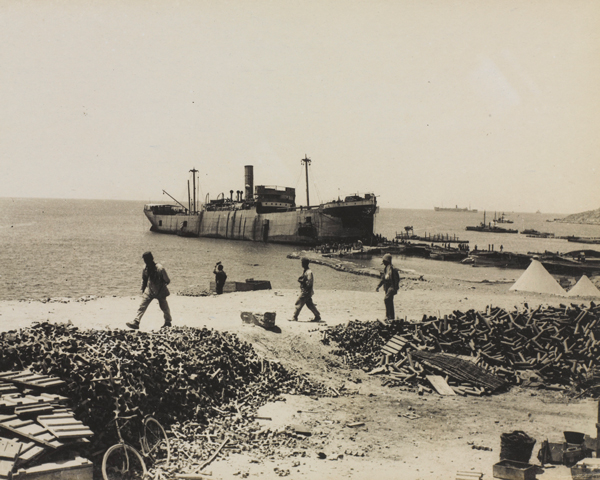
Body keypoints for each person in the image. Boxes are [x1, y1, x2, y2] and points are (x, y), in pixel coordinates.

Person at [126, 251, 172, 330]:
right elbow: (144, 279)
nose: (146, 261)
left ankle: (168, 322)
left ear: (152, 259)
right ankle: (136, 322)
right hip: (149, 290)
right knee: (142, 306)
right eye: (145, 260)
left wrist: (161, 286)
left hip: (160, 291)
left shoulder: (160, 268)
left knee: (164, 307)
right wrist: (143, 289)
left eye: (147, 260)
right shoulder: (145, 268)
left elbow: (167, 280)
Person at [289, 258, 321, 322]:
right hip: (307, 291)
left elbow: (309, 282)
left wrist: (303, 284)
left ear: (305, 264)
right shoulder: (306, 271)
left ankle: (295, 317)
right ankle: (317, 316)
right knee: (310, 304)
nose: (302, 264)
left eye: (303, 263)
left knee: (299, 302)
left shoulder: (309, 272)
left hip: (306, 291)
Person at [376, 253, 400, 322]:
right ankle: (391, 316)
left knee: (386, 299)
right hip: (387, 287)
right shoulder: (385, 269)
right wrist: (378, 286)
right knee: (389, 301)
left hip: (392, 286)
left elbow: (397, 279)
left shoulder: (394, 269)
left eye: (384, 262)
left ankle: (388, 316)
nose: (384, 264)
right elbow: (383, 279)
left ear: (387, 261)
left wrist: (395, 288)